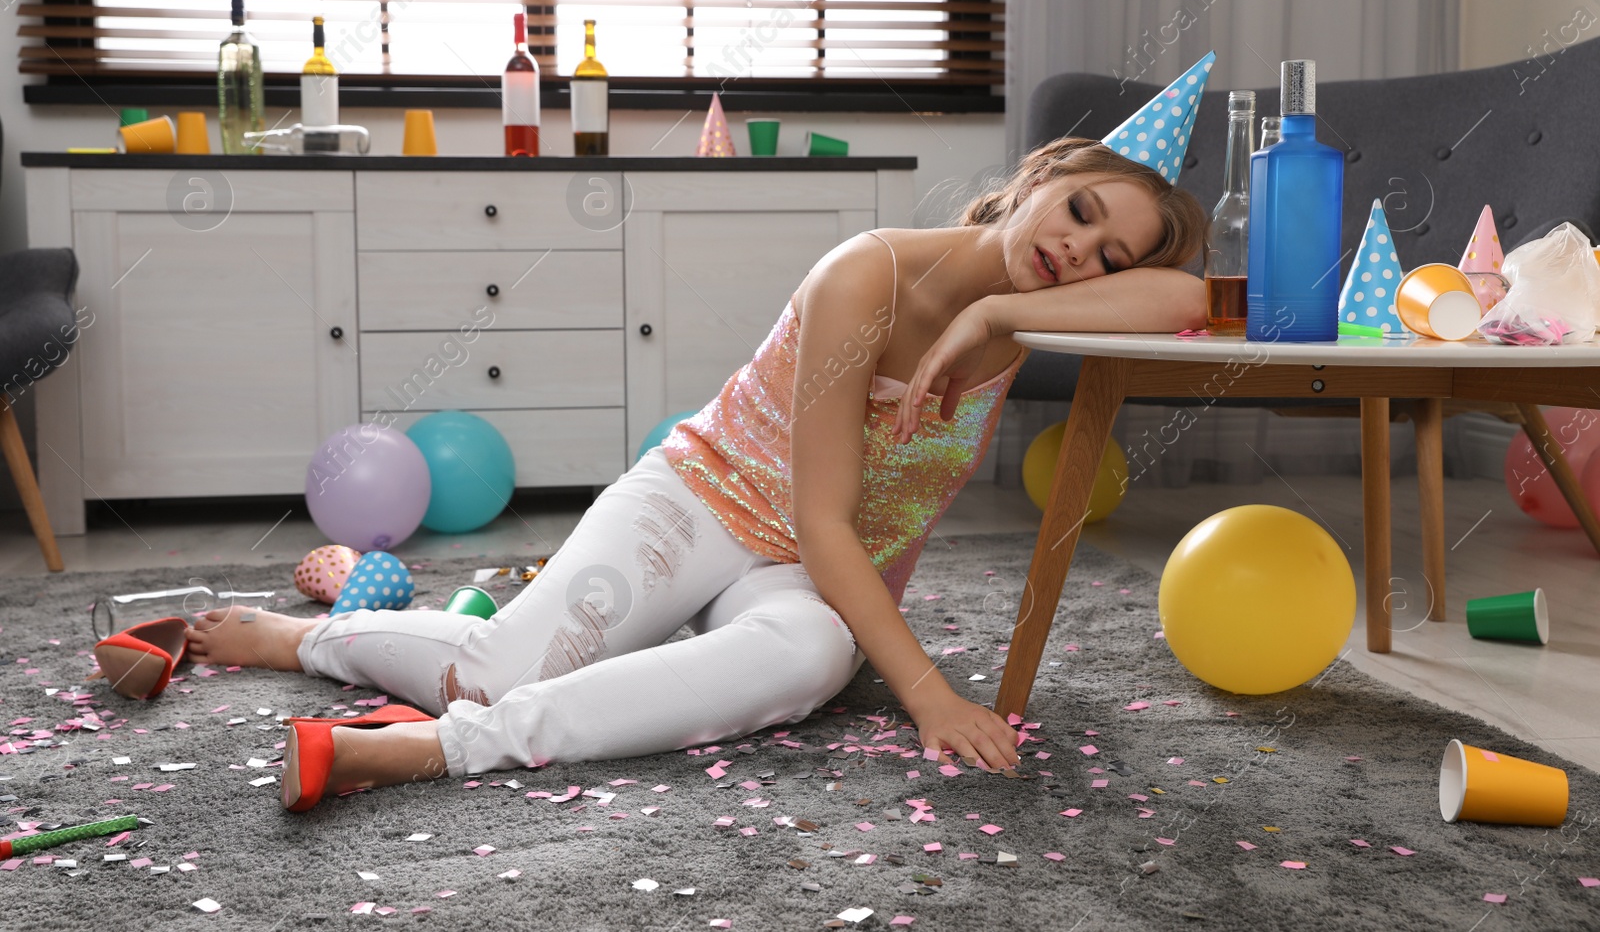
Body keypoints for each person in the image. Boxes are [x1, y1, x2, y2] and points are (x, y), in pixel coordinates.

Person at [183, 57, 1215, 811]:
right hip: (700, 503)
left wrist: (989, 320)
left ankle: (433, 750)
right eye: (1076, 211)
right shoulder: (869, 270)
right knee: (504, 664)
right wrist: (930, 691)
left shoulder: (1028, 312)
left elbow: (1189, 292)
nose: (1073, 251)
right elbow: (820, 515)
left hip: (810, 577)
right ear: (1037, 177)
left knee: (810, 659)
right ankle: (307, 641)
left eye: (1103, 256)